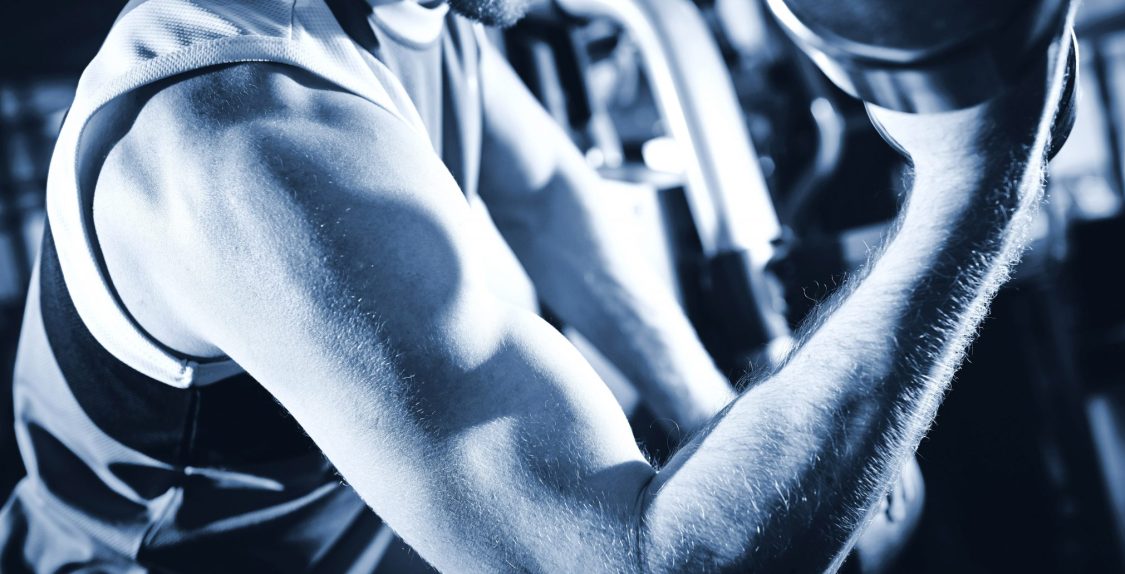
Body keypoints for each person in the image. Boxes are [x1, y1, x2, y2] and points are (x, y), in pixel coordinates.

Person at [0, 0, 1070, 570]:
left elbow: (555, 201)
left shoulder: (409, 17)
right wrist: (977, 178)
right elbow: (648, 568)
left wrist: (718, 410)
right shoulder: (242, 139)